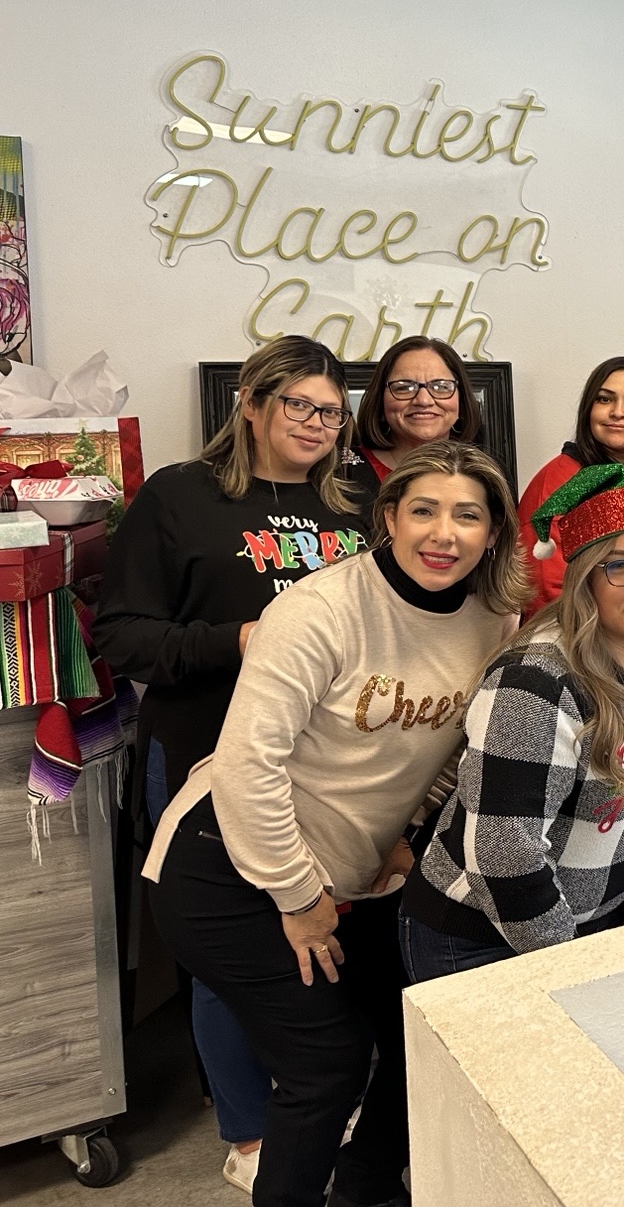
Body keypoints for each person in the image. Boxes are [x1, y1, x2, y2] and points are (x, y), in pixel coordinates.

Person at [144, 442, 526, 1207]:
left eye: (467, 515)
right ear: (388, 518)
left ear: (493, 534)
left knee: (426, 1034)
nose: (442, 534)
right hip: (223, 864)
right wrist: (298, 897)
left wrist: (407, 824)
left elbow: (452, 749)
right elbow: (250, 764)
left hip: (351, 871)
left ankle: (363, 1187)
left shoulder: (495, 620)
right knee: (329, 1063)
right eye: (422, 510)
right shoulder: (317, 610)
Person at [99, 335, 369, 1197]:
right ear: (250, 403)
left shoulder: (358, 501)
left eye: (331, 411)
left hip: (327, 765)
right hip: (205, 756)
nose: (316, 425)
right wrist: (243, 639)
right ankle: (249, 1133)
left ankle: (317, 1099)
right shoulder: (181, 496)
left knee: (321, 935)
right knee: (229, 956)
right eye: (298, 405)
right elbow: (122, 637)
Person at [401, 466, 624, 979]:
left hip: (599, 925)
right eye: (620, 566)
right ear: (585, 576)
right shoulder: (535, 683)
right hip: (481, 936)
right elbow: (505, 854)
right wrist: (578, 966)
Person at [518, 357, 624, 618]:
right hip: (583, 636)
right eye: (605, 399)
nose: (618, 412)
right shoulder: (558, 481)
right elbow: (545, 589)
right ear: (588, 410)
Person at [353, 335, 483, 483]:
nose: (423, 400)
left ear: (462, 399)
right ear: (380, 400)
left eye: (441, 386)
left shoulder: (487, 473)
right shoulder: (344, 473)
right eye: (404, 387)